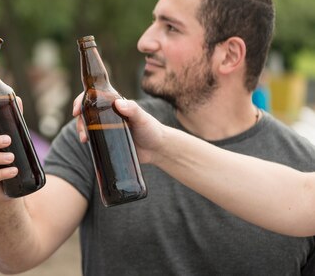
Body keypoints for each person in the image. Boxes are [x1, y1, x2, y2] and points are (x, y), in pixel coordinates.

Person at [0, 0, 315, 275]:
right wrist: (2, 199)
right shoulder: (104, 131)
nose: (145, 41)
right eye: (154, 22)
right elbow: (14, 256)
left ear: (229, 55)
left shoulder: (302, 166)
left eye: (171, 28)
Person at [104, 98, 315, 238]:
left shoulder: (301, 153)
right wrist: (159, 145)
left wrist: (160, 146)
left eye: (171, 28)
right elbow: (303, 197)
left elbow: (304, 199)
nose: (144, 43)